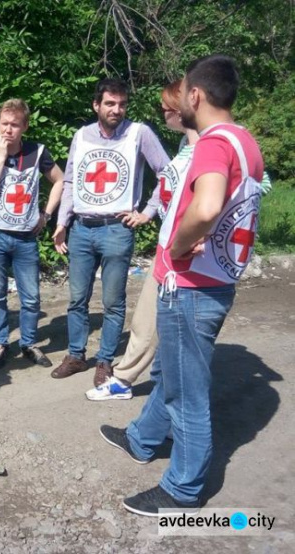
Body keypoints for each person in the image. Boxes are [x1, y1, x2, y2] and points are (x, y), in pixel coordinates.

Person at [100, 54, 264, 516]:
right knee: (172, 375)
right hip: (215, 281)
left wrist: (176, 247)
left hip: (191, 285)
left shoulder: (213, 143)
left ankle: (183, 489)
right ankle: (142, 439)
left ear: (195, 95)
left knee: (185, 392)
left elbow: (208, 207)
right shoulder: (245, 141)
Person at [51, 78, 169, 386]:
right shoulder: (82, 135)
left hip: (117, 229)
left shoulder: (138, 133)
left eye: (122, 104)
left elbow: (168, 173)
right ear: (96, 105)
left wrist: (147, 212)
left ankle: (104, 361)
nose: (117, 109)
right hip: (81, 228)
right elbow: (71, 182)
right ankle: (76, 355)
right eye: (110, 103)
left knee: (113, 302)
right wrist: (62, 223)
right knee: (77, 299)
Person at [85, 80, 198, 400]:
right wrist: (152, 213)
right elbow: (170, 186)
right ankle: (143, 383)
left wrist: (203, 231)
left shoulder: (210, 146)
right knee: (150, 320)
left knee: (166, 324)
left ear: (183, 109)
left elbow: (251, 184)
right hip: (169, 244)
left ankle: (135, 383)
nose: (162, 115)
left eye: (165, 108)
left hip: (186, 250)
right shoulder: (185, 147)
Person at [0, 99, 64, 369]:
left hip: (25, 237)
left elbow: (60, 180)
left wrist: (46, 215)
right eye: (4, 123)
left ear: (25, 126)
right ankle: (0, 344)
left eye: (14, 125)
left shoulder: (38, 152)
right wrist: (1, 158)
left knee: (31, 296)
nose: (8, 130)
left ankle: (29, 343)